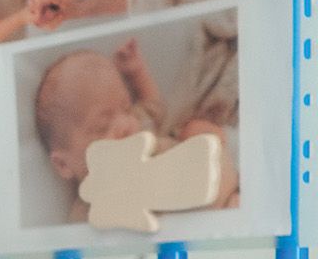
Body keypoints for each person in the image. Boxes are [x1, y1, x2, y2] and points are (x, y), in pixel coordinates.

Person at [34, 36, 238, 225]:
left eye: (126, 108)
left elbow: (153, 106)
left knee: (195, 129)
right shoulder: (88, 214)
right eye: (102, 127)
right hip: (208, 215)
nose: (125, 124)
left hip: (216, 170)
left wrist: (137, 73)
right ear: (63, 164)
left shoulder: (139, 129)